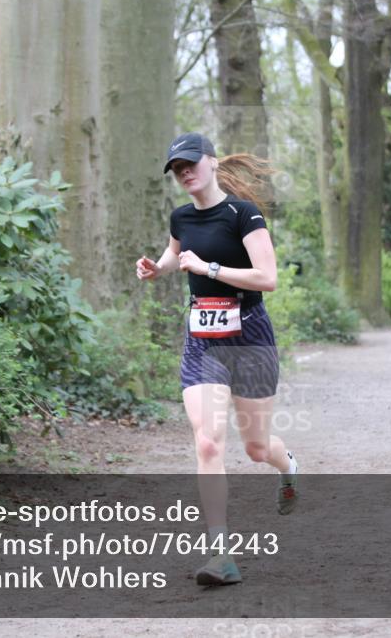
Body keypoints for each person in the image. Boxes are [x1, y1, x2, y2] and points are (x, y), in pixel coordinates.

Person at [135, 132, 299, 586]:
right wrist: (157, 268)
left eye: (190, 163)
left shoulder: (243, 215)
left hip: (250, 335)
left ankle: (288, 468)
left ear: (211, 162)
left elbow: (267, 278)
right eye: (176, 168)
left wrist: (209, 270)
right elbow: (175, 254)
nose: (184, 172)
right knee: (208, 441)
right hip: (203, 339)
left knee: (256, 447)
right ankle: (220, 553)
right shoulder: (181, 216)